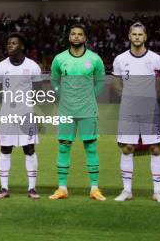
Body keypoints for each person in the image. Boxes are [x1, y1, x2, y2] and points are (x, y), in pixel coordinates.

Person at [49, 24, 106, 201]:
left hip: (88, 110)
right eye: (73, 34)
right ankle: (62, 188)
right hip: (66, 110)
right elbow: (54, 80)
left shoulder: (95, 59)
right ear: (69, 38)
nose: (76, 36)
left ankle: (94, 188)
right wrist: (63, 95)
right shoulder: (59, 59)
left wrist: (89, 98)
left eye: (79, 34)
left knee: (91, 147)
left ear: (85, 38)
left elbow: (100, 82)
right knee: (64, 146)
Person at [112, 22, 160, 203]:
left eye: (140, 34)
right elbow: (116, 82)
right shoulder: (120, 59)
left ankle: (157, 192)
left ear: (145, 37)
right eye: (134, 34)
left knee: (155, 148)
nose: (137, 37)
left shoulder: (156, 59)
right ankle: (127, 191)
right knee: (127, 149)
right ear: (129, 37)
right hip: (128, 110)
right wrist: (126, 97)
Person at [0, 33, 42, 199]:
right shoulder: (0, 67)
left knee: (29, 149)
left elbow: (39, 91)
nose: (10, 46)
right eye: (8, 43)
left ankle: (32, 188)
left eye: (13, 43)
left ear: (22, 46)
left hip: (26, 114)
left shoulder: (33, 66)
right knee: (5, 148)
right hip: (7, 114)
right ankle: (4, 188)